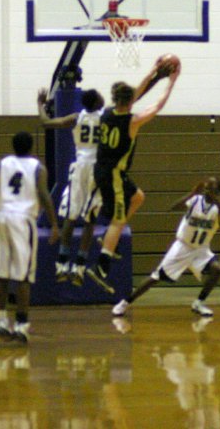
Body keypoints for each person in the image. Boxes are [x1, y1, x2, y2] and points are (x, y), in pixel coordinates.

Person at [86, 61, 180, 293]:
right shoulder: (133, 121)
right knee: (118, 220)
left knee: (137, 197)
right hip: (114, 175)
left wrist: (152, 73)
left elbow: (135, 94)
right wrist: (171, 82)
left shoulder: (108, 112)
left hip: (100, 169)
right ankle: (102, 263)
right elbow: (157, 106)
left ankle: (109, 235)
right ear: (129, 102)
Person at [0, 131, 59, 343]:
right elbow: (44, 195)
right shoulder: (37, 167)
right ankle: (21, 324)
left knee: (1, 272)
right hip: (22, 220)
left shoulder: (3, 163)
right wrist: (55, 224)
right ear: (30, 147)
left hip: (1, 218)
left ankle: (1, 319)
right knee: (23, 275)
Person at [112, 176, 220, 317]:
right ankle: (125, 303)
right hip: (182, 246)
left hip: (201, 249)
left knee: (217, 269)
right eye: (207, 188)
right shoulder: (195, 200)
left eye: (211, 188)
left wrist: (214, 199)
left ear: (218, 191)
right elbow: (173, 207)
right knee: (156, 277)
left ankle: (199, 302)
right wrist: (192, 194)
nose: (208, 190)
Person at [37, 87, 105, 286]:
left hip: (79, 168)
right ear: (96, 103)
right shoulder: (105, 117)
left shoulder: (76, 117)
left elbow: (46, 123)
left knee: (71, 217)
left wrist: (40, 104)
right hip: (96, 169)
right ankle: (80, 266)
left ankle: (61, 263)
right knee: (90, 218)